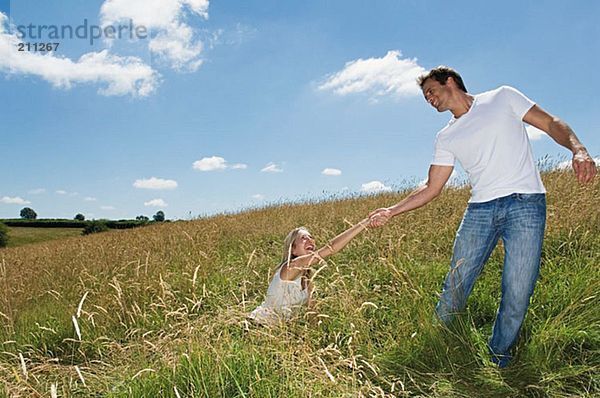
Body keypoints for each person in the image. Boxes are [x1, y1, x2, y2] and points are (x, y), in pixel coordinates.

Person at [369, 66, 596, 367]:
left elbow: (550, 122)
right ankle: (437, 347)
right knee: (456, 283)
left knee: (518, 288)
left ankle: (498, 354)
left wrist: (577, 149)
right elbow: (432, 186)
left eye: (431, 92)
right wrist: (392, 210)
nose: (429, 99)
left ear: (449, 82)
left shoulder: (502, 98)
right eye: (425, 97)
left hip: (525, 205)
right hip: (480, 210)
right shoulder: (446, 136)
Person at [249, 218, 369, 326]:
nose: (310, 241)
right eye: (303, 238)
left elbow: (312, 311)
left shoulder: (307, 279)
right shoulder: (291, 267)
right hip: (256, 325)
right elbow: (331, 248)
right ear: (293, 249)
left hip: (278, 332)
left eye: (311, 238)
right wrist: (365, 222)